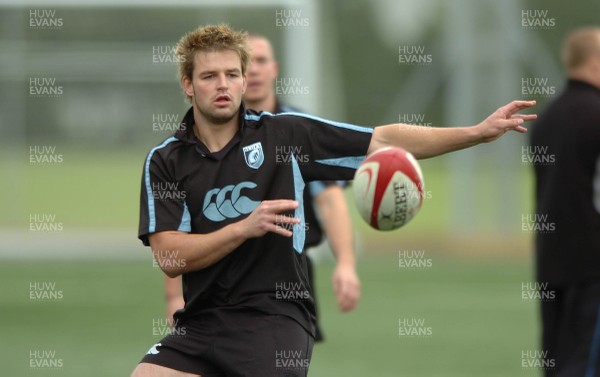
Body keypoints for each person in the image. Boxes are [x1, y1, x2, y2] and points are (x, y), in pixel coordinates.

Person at [133, 23, 535, 376]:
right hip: (202, 320)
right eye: (209, 76)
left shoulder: (284, 135)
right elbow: (171, 258)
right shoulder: (165, 161)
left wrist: (477, 133)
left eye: (232, 74)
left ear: (243, 80)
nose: (223, 85)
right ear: (188, 84)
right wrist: (243, 228)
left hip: (274, 316)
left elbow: (383, 139)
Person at [163, 33, 361, 341]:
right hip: (214, 279)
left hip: (283, 274)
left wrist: (345, 264)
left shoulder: (296, 128)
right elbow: (178, 230)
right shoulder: (201, 136)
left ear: (274, 69)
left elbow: (330, 199)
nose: (253, 70)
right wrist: (174, 296)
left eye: (261, 60)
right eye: (246, 63)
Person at [529, 26, 600, 377]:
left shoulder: (546, 119)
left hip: (551, 263)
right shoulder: (596, 114)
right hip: (592, 266)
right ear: (596, 63)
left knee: (557, 365)